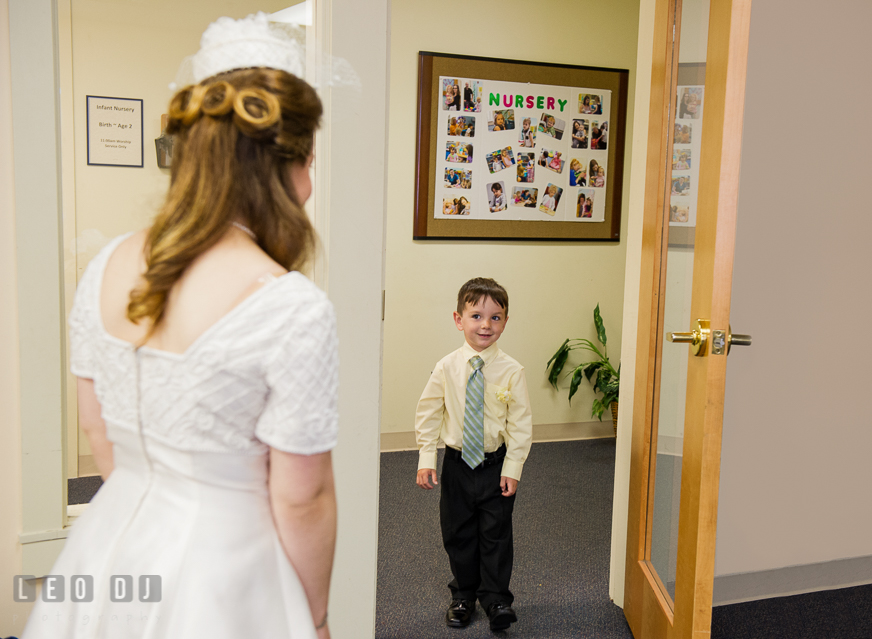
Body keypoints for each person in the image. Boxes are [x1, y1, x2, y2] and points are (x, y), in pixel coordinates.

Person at [22, 13, 338, 639]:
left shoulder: (107, 264)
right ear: (283, 167)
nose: (307, 183)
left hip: (113, 540)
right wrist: (316, 618)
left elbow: (98, 429)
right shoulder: (290, 305)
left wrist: (144, 522)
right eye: (307, 160)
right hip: (225, 568)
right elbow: (301, 497)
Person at [414, 278, 532, 632]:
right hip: (457, 466)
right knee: (458, 532)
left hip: (495, 467)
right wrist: (426, 457)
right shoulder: (446, 367)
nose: (486, 325)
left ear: (506, 322)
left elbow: (520, 424)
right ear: (458, 319)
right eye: (477, 316)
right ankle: (463, 595)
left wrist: (513, 467)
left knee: (496, 534)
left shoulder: (512, 370)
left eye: (496, 318)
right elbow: (429, 411)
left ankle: (496, 599)